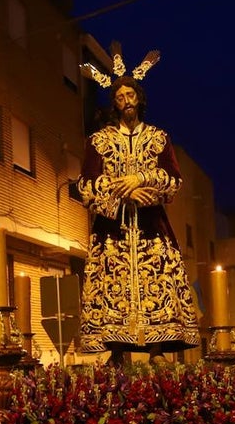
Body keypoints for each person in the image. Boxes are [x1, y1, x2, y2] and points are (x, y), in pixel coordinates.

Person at [77, 46, 199, 365]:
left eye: (130, 95)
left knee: (157, 280)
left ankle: (157, 349)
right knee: (111, 283)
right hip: (112, 231)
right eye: (119, 97)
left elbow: (174, 178)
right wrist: (123, 192)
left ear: (139, 99)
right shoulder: (99, 141)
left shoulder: (158, 138)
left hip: (151, 228)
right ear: (114, 103)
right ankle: (117, 349)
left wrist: (143, 179)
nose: (126, 101)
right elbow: (85, 185)